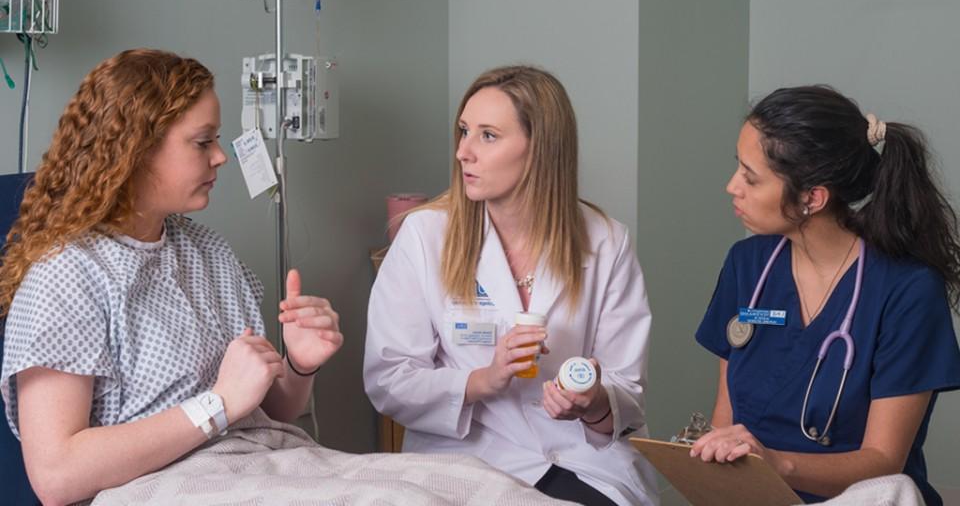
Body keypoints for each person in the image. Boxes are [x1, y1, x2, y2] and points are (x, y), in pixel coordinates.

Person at [0, 48, 342, 504]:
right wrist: (216, 405)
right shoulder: (66, 277)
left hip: (264, 466)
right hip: (166, 489)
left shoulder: (209, 253)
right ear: (134, 152)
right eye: (203, 142)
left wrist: (299, 365)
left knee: (460, 482)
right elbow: (56, 475)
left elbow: (268, 410)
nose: (221, 157)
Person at [364, 65, 659, 506]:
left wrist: (593, 402)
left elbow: (627, 391)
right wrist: (482, 381)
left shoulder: (605, 240)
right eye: (463, 131)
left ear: (540, 149)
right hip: (464, 460)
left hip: (580, 459)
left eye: (487, 135)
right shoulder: (425, 236)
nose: (463, 152)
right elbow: (389, 379)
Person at [691, 85, 960, 504]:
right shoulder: (748, 265)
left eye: (750, 177)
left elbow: (884, 460)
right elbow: (724, 420)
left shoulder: (907, 289)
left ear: (811, 198)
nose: (732, 187)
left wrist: (776, 464)